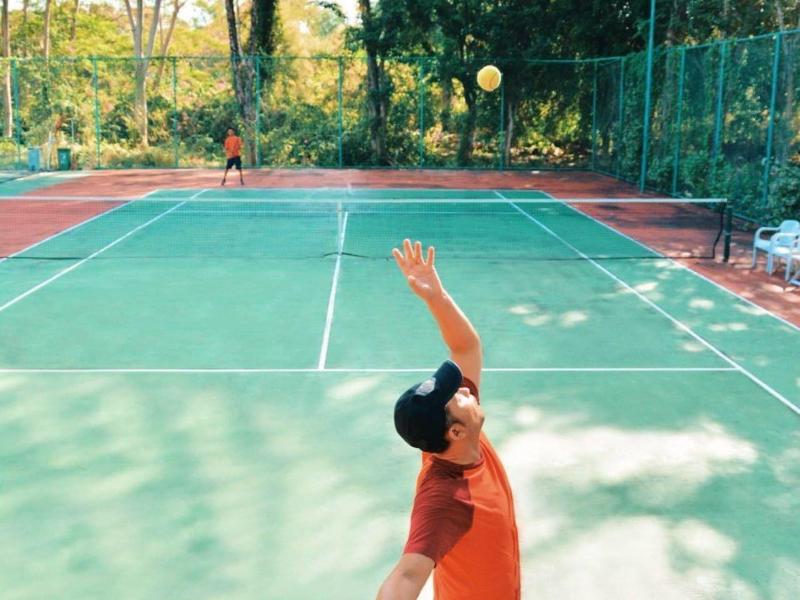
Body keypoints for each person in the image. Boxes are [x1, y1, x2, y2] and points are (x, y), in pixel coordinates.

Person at [377, 239, 520, 600]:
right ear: (455, 430)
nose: (466, 390)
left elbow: (466, 348)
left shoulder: (458, 439)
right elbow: (406, 578)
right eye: (456, 395)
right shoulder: (445, 496)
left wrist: (435, 297)